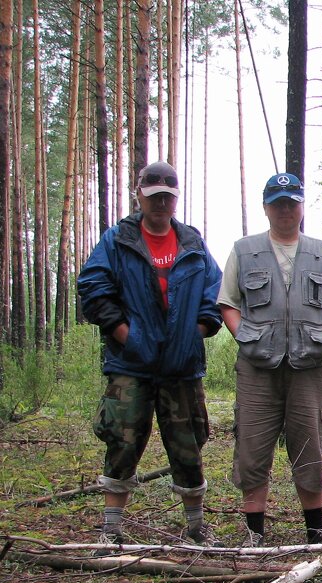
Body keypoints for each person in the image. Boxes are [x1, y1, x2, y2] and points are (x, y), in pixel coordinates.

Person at [77, 160, 223, 548]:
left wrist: (197, 333)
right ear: (139, 193)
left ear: (176, 199)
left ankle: (194, 529)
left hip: (182, 366)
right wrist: (125, 334)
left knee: (188, 444)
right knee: (122, 441)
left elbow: (215, 293)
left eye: (168, 197)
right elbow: (93, 288)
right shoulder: (117, 240)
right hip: (131, 364)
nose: (161, 203)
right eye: (154, 195)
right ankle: (111, 530)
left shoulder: (192, 241)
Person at [218, 173, 322, 547]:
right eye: (277, 202)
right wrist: (244, 335)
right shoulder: (244, 251)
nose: (284, 209)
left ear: (300, 207)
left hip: (309, 368)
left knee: (310, 445)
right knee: (252, 446)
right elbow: (227, 302)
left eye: (291, 202)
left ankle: (315, 531)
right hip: (257, 369)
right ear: (266, 208)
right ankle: (254, 534)